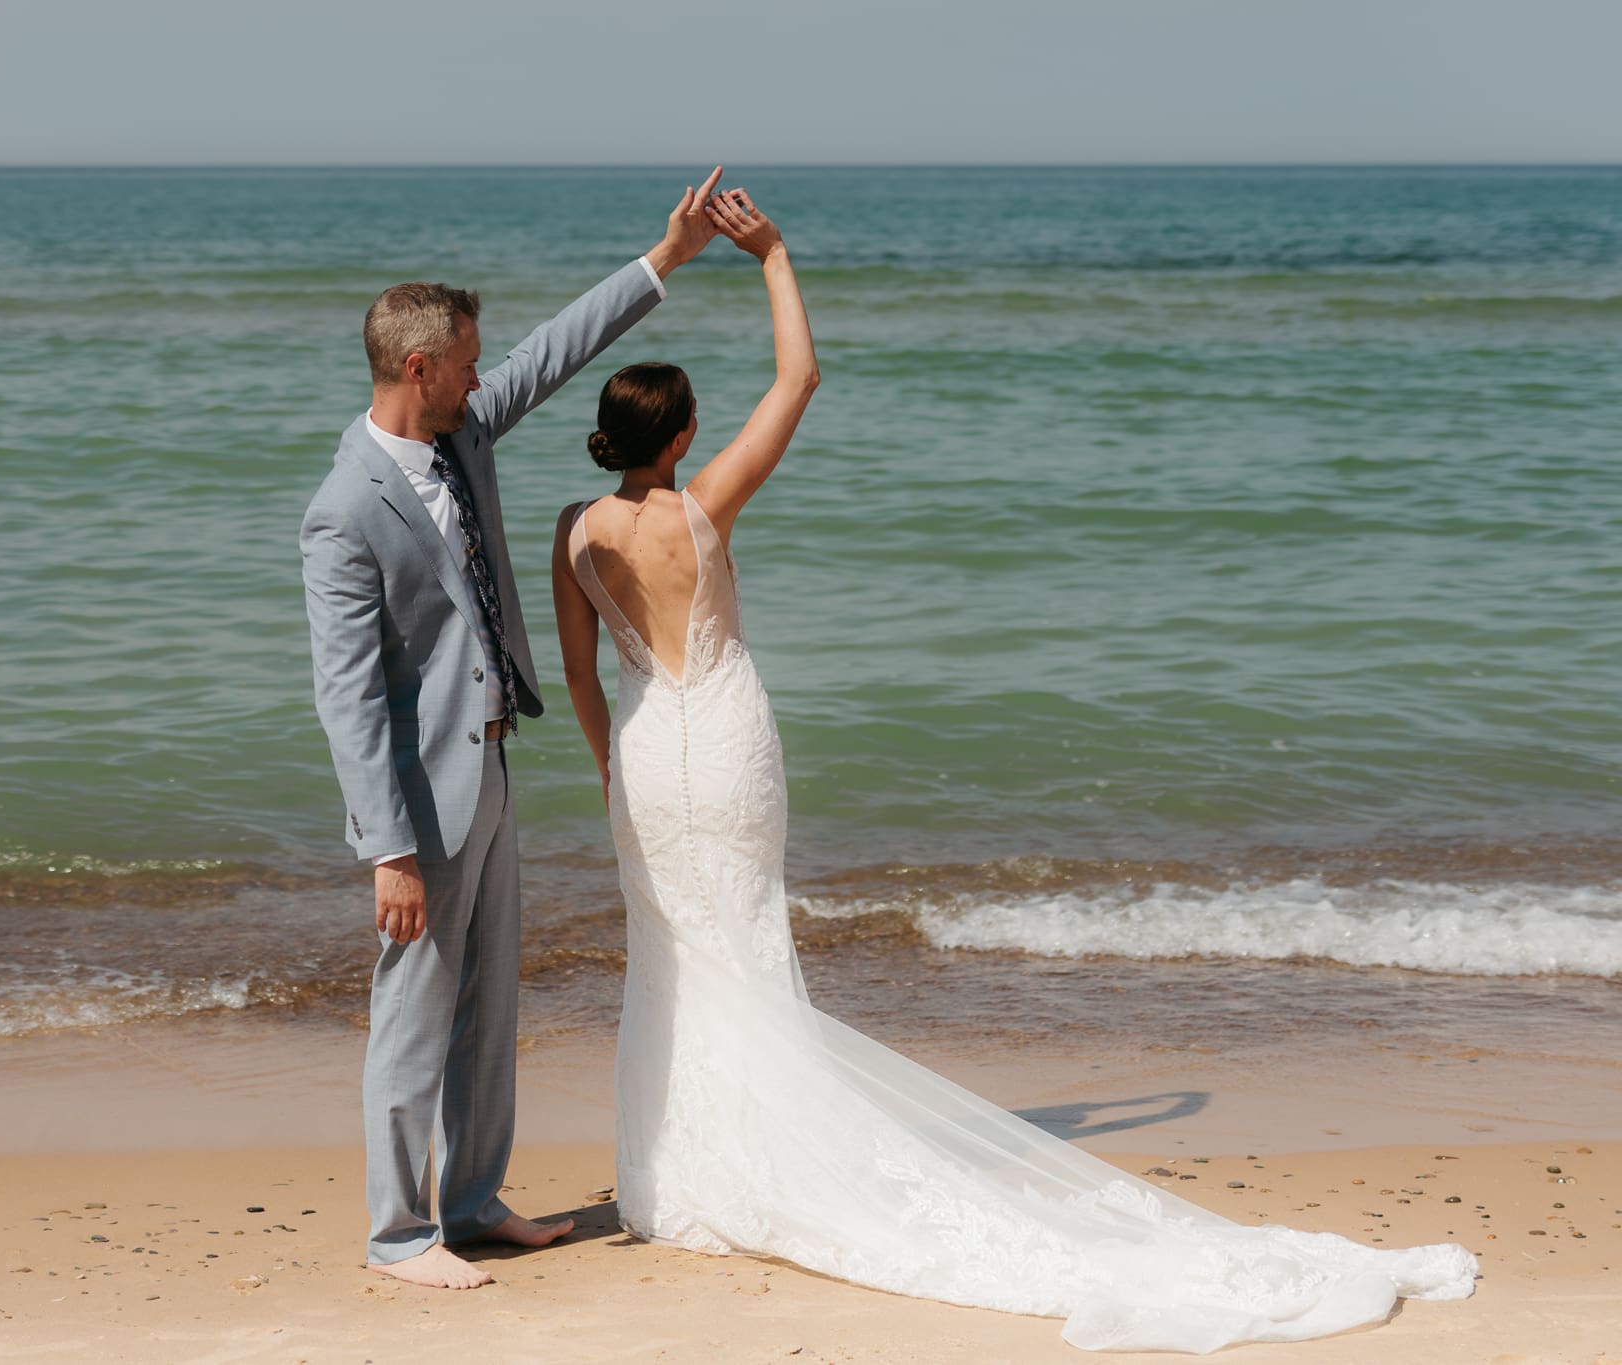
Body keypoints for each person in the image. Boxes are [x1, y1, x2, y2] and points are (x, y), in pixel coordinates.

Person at [550, 189, 1477, 1352]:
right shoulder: (700, 512)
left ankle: (683, 1177)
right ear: (680, 438)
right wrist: (772, 256)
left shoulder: (575, 530)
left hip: (642, 759)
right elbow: (798, 384)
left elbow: (581, 679)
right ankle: (765, 1163)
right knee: (744, 942)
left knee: (677, 955)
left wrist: (601, 767)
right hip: (726, 746)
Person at [300, 168, 727, 1291]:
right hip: (420, 802)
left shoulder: (464, 434)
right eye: (467, 364)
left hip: (491, 763)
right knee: (413, 1014)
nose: (485, 377)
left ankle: (476, 1200)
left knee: (492, 1003)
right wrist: (384, 849)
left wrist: (665, 257)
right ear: (417, 368)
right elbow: (345, 695)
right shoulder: (342, 511)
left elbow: (554, 351)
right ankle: (399, 1236)